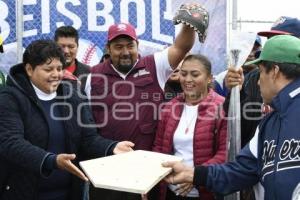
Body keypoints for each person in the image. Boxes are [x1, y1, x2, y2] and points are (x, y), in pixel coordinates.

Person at [86, 3, 208, 199]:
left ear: (137, 45)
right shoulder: (92, 76)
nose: (125, 52)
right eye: (118, 47)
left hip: (147, 172)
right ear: (108, 48)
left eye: (130, 45)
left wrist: (189, 23)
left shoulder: (154, 65)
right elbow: (86, 129)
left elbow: (181, 47)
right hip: (106, 170)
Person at [163, 35, 300, 200]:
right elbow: (242, 170)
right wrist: (194, 174)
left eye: (261, 72)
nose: (257, 82)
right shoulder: (269, 123)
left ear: (275, 72)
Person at [0, 39, 134, 200]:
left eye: (59, 68)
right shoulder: (10, 98)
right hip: (24, 192)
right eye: (48, 69)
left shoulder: (73, 95)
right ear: (29, 69)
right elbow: (11, 142)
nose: (56, 74)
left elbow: (88, 138)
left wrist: (112, 147)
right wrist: (51, 161)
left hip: (69, 193)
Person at [153, 54, 227, 200]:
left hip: (205, 192)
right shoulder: (170, 107)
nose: (187, 80)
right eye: (183, 73)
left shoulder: (222, 107)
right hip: (171, 191)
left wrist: (193, 176)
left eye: (195, 74)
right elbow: (158, 148)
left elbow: (224, 154)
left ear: (209, 78)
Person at [54, 26, 90, 91]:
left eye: (71, 47)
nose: (66, 51)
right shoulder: (46, 72)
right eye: (62, 46)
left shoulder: (89, 73)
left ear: (77, 47)